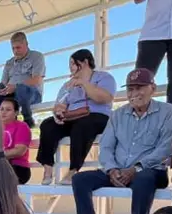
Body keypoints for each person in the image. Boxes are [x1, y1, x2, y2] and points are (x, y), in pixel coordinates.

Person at [72, 68, 172, 214]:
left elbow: (165, 149)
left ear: (153, 89)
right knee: (80, 179)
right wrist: (112, 169)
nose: (134, 93)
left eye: (140, 87)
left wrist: (135, 168)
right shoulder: (118, 114)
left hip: (150, 171)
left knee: (144, 178)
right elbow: (106, 146)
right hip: (118, 171)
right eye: (131, 89)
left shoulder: (168, 111)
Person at [37, 49, 116, 184]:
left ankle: (73, 170)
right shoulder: (68, 84)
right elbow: (59, 104)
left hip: (97, 115)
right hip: (72, 117)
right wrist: (59, 111)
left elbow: (104, 98)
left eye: (73, 63)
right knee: (47, 124)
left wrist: (84, 83)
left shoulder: (104, 77)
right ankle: (48, 168)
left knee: (83, 125)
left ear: (85, 62)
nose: (70, 67)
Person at [0, 32, 46, 127]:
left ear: (26, 44)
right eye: (13, 48)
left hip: (30, 94)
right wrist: (2, 90)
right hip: (11, 95)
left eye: (18, 48)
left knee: (21, 88)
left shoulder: (37, 56)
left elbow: (37, 80)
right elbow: (3, 83)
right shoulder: (9, 63)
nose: (15, 51)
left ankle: (27, 120)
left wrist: (15, 87)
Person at [0, 98, 33, 184]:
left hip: (18, 168)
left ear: (16, 113)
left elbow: (19, 151)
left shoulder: (22, 126)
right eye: (1, 109)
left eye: (8, 110)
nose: (3, 112)